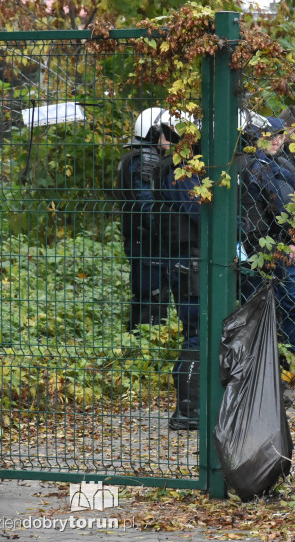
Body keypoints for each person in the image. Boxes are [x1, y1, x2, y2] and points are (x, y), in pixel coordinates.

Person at [152, 110, 202, 431]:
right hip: (189, 263)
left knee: (195, 332)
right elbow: (199, 211)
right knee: (198, 332)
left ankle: (194, 404)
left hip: (184, 260)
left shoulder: (170, 169)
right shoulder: (180, 172)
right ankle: (187, 409)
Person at [237, 117, 295, 353]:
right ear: (256, 137)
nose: (275, 140)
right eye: (268, 135)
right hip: (267, 244)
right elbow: (281, 206)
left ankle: (287, 360)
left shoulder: (279, 165)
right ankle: (290, 360)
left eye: (279, 135)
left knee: (275, 305)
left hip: (266, 243)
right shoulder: (257, 166)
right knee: (286, 303)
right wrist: (293, 241)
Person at [115, 107, 169, 330]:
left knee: (143, 294)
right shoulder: (146, 159)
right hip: (148, 240)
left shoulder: (133, 156)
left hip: (137, 237)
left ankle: (138, 342)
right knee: (153, 296)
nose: (172, 137)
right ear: (154, 132)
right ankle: (149, 345)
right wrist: (164, 232)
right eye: (167, 131)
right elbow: (148, 203)